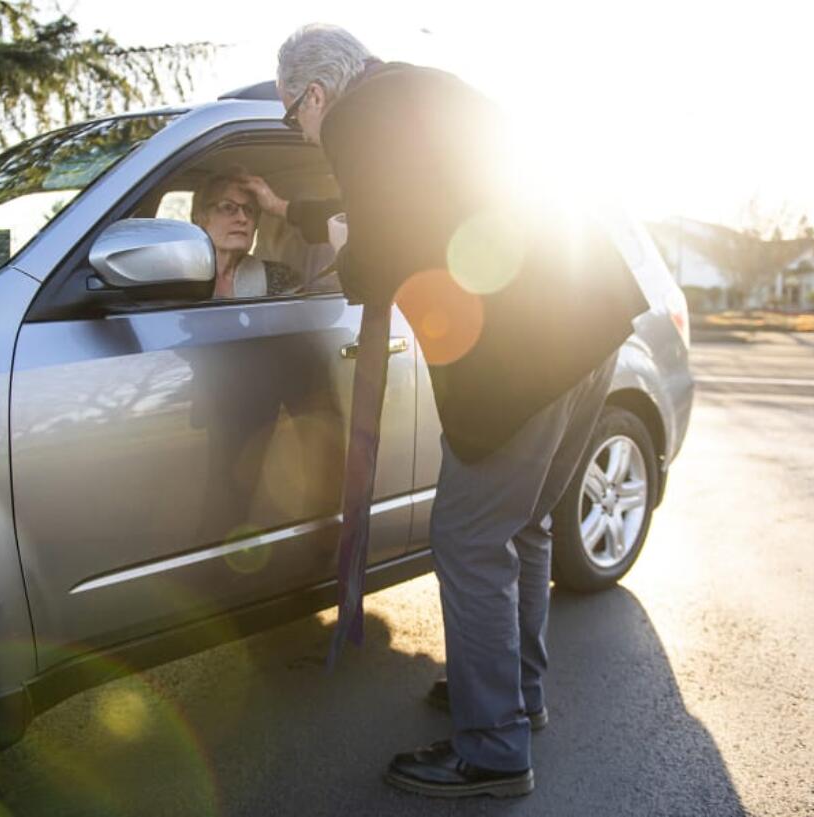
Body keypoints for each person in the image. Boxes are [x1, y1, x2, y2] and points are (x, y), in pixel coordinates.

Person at [248, 24, 650, 798]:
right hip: (590, 326)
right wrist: (296, 210)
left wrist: (346, 244)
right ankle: (511, 698)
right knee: (522, 523)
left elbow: (374, 258)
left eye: (293, 113)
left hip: (525, 360)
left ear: (318, 94)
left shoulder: (361, 120)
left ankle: (494, 748)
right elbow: (405, 197)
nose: (299, 127)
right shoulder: (415, 91)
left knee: (466, 536)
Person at [190, 166, 299, 298]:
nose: (243, 219)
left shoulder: (280, 278)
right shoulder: (180, 280)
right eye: (228, 207)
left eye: (249, 210)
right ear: (200, 218)